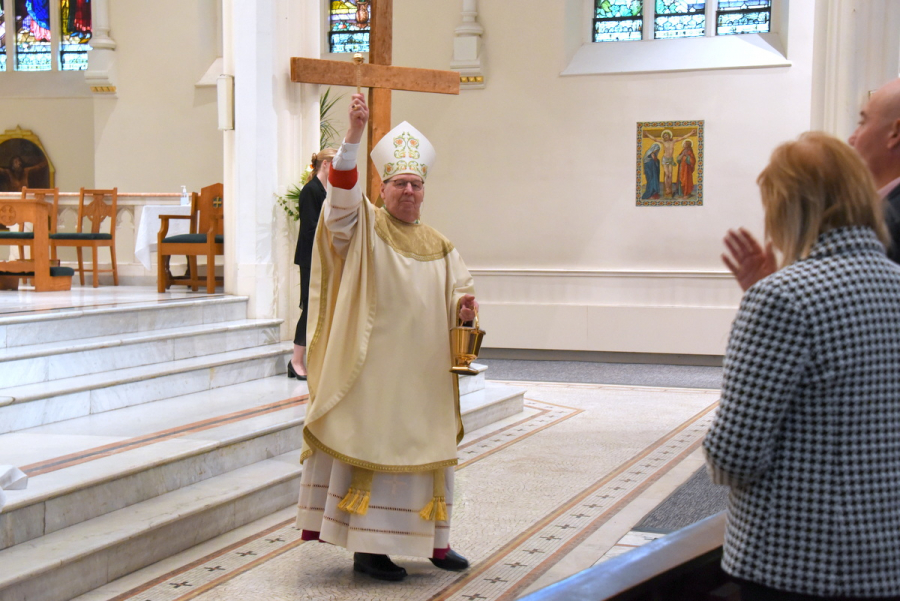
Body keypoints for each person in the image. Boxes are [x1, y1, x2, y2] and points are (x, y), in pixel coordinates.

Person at [705, 132, 900, 600]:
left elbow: (734, 455)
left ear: (788, 208)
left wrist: (764, 292)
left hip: (800, 567)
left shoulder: (782, 299)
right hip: (885, 559)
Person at [295, 93, 478, 582]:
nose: (410, 191)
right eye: (400, 183)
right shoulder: (362, 227)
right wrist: (353, 135)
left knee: (427, 453)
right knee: (375, 447)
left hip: (425, 373)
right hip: (373, 367)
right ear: (383, 187)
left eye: (417, 184)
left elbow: (461, 292)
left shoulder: (440, 244)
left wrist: (464, 309)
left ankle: (435, 543)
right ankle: (370, 550)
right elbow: (340, 201)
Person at [724, 78, 900, 277]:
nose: (852, 138)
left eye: (862, 122)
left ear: (896, 133)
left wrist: (780, 292)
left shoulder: (888, 223)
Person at [288, 148, 336, 380]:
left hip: (324, 256)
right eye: (335, 164)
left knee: (320, 308)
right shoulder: (310, 190)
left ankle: (314, 359)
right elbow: (310, 227)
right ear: (326, 164)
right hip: (310, 257)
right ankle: (295, 360)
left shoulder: (328, 190)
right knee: (309, 307)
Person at [644, 128, 696, 197]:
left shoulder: (673, 141)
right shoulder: (663, 142)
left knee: (670, 175)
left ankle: (670, 189)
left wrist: (691, 133)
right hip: (665, 159)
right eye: (664, 136)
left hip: (670, 159)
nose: (665, 137)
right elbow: (654, 139)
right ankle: (667, 189)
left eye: (666, 135)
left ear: (669, 136)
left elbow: (683, 137)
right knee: (667, 174)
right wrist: (647, 134)